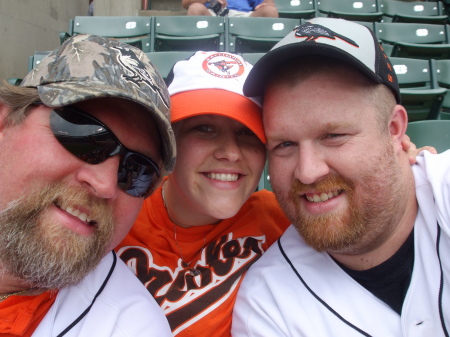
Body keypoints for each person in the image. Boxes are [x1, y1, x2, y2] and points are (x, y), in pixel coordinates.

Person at [232, 17, 450, 336]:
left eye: (333, 136)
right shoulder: (266, 304)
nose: (307, 172)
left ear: (394, 130)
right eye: (285, 144)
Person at [0, 34, 176, 336]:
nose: (105, 185)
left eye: (137, 171)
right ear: (4, 123)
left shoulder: (130, 328)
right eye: (83, 136)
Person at [116, 51, 290, 337]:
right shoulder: (119, 220)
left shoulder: (285, 220)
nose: (231, 153)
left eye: (247, 132)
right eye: (205, 128)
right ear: (169, 140)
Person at [182, 0, 278, 17]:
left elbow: (269, 2)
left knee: (270, 10)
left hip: (243, 16)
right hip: (212, 14)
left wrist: (264, 4)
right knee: (195, 8)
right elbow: (186, 3)